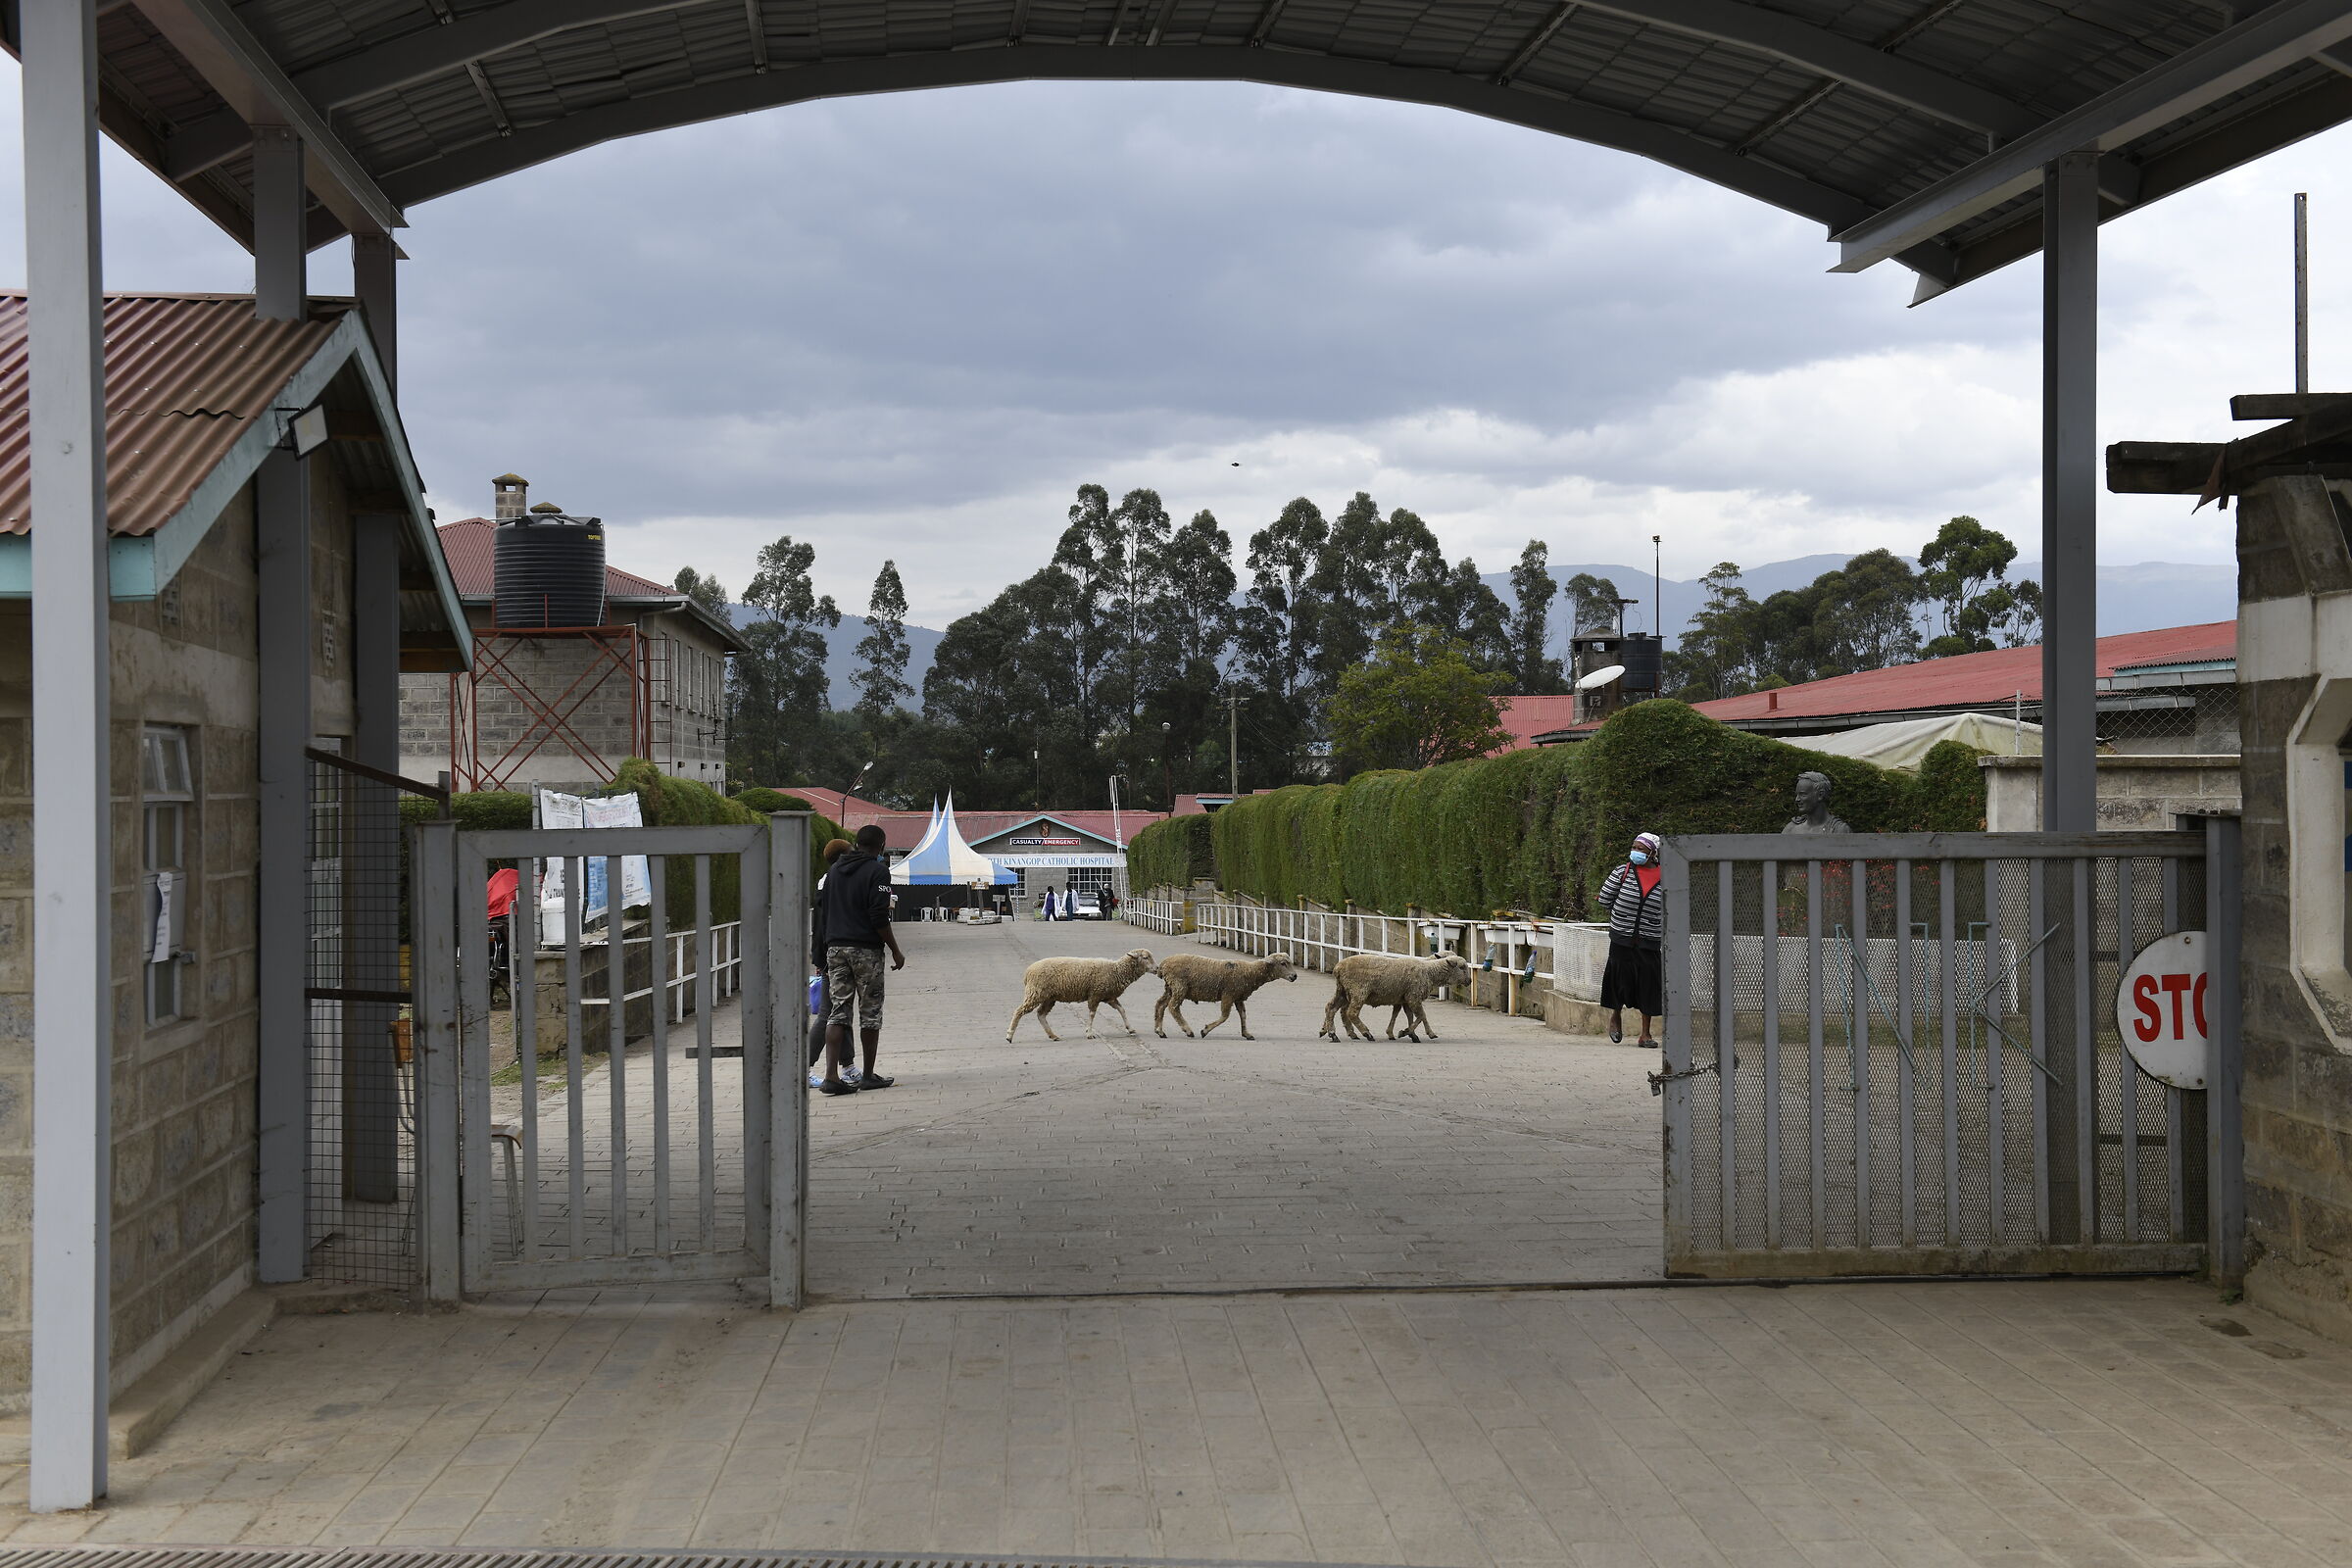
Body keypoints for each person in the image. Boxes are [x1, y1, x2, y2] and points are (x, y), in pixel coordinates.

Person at [816, 824, 905, 1096]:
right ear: (881, 846)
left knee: (838, 1011)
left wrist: (821, 952)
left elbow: (824, 913)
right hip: (865, 950)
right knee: (870, 1013)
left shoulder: (833, 872)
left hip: (835, 948)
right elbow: (878, 916)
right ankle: (867, 1075)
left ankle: (831, 1076)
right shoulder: (878, 871)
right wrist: (895, 949)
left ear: (856, 842)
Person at [1597, 831, 1666, 1048]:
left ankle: (1645, 1034)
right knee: (1619, 979)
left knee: (1649, 984)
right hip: (1622, 937)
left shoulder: (1667, 876)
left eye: (1641, 849)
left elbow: (1672, 906)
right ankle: (1615, 1017)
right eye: (1634, 847)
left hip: (1650, 939)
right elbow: (1606, 898)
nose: (1635, 852)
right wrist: (1622, 917)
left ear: (1653, 853)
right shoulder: (1622, 872)